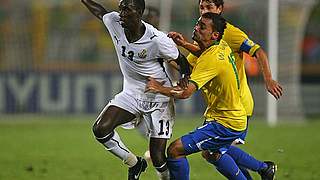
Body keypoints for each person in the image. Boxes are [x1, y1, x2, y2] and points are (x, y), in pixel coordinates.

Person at [167, 0, 281, 179]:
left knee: (214, 151)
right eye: (201, 7)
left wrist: (268, 79)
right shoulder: (206, 36)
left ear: (220, 9)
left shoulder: (230, 33)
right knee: (214, 151)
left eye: (209, 8)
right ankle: (263, 168)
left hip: (236, 104)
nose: (204, 11)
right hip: (220, 108)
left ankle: (263, 168)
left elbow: (258, 51)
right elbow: (194, 62)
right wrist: (175, 49)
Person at [81, 0, 190, 179]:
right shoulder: (114, 22)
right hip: (131, 94)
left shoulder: (158, 40)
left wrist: (184, 79)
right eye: (120, 8)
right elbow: (100, 12)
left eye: (127, 9)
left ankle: (165, 177)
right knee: (100, 129)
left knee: (157, 156)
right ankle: (135, 163)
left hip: (158, 98)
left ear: (139, 12)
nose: (122, 13)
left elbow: (182, 61)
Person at [146, 12, 253, 179]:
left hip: (225, 122)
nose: (196, 28)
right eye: (197, 23)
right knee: (212, 154)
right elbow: (201, 51)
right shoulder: (221, 46)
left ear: (215, 34)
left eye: (202, 27)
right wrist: (183, 44)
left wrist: (158, 88)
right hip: (227, 116)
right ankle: (263, 169)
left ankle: (263, 168)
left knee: (175, 150)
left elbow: (184, 93)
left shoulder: (210, 61)